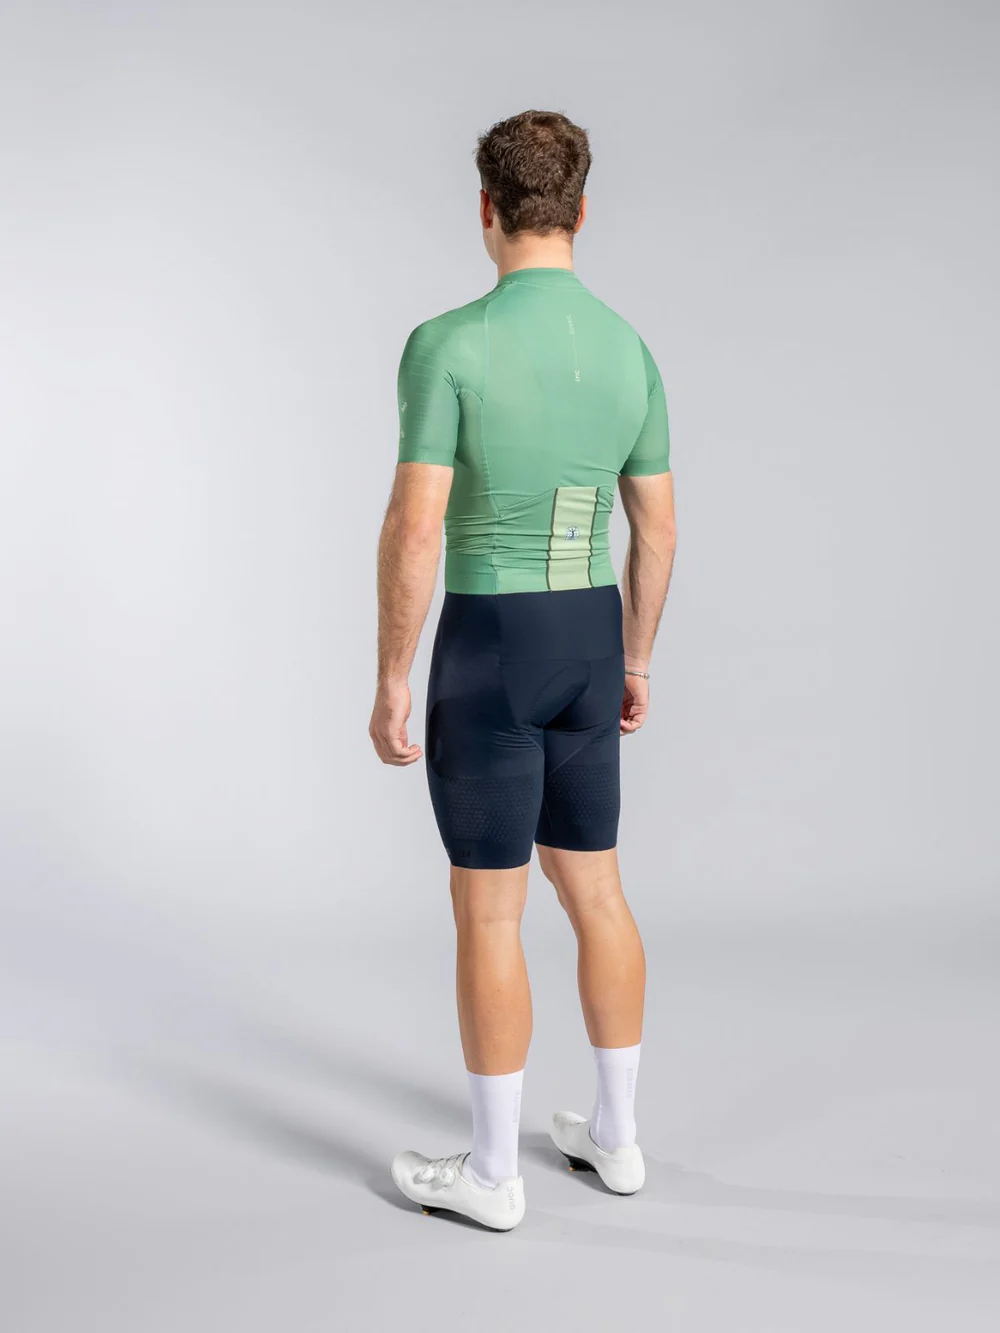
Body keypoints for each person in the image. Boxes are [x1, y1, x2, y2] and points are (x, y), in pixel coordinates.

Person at [369, 109, 677, 1231]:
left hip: (492, 644)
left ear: (487, 210)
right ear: (581, 210)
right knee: (596, 888)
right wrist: (634, 658)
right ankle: (618, 1139)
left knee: (489, 912)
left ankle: (494, 1175)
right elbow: (658, 530)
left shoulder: (448, 343)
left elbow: (416, 528)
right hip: (591, 637)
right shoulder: (631, 349)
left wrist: (392, 676)